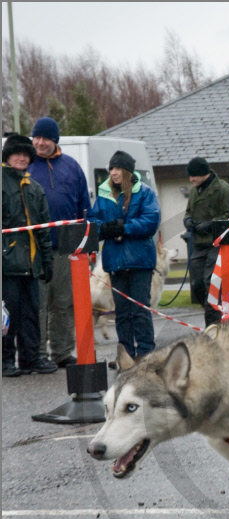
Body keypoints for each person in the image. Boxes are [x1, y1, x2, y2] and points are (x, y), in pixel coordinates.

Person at [29, 116, 91, 367]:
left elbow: (84, 208)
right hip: (35, 249)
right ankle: (37, 354)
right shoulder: (26, 165)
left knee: (64, 303)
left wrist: (86, 244)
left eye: (45, 138)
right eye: (37, 137)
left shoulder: (72, 167)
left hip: (67, 248)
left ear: (55, 140)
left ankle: (63, 351)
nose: (40, 142)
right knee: (39, 304)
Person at [88, 150, 161, 364]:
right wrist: (105, 228)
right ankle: (126, 356)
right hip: (116, 262)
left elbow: (151, 221)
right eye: (111, 168)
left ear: (128, 171)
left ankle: (147, 354)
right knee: (121, 313)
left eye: (118, 168)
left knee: (140, 310)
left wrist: (124, 228)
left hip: (140, 262)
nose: (114, 173)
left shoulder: (145, 193)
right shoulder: (103, 195)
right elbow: (93, 223)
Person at [2, 134, 57, 376]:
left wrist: (47, 260)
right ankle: (5, 361)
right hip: (7, 265)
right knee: (7, 317)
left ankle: (31, 358)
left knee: (31, 313)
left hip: (31, 264)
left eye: (26, 154)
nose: (22, 158)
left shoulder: (35, 188)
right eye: (17, 153)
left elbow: (43, 229)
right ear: (7, 156)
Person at [183, 157, 229, 327]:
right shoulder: (194, 191)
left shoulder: (224, 190)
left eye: (193, 176)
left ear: (203, 173)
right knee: (197, 284)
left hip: (218, 245)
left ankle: (214, 324)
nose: (191, 179)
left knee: (212, 284)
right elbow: (188, 212)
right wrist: (188, 221)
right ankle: (213, 313)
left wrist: (211, 224)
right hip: (198, 245)